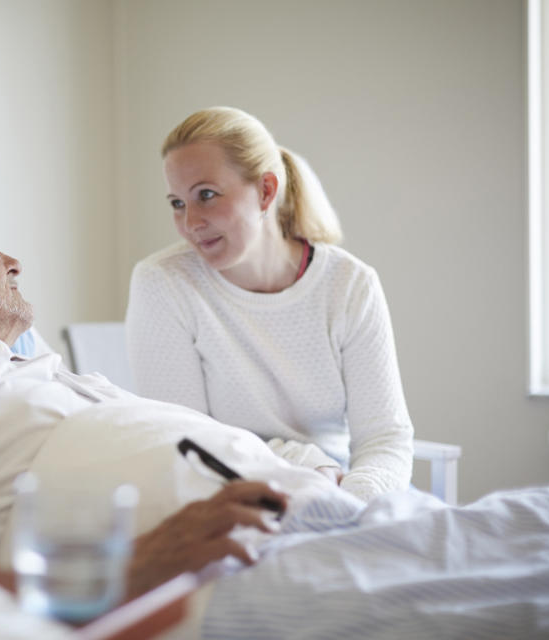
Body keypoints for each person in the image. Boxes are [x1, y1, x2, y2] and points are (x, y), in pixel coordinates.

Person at [0, 181, 350, 599]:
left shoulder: (46, 377)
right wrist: (121, 570)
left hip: (322, 521)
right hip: (234, 579)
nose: (12, 262)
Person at [126, 107, 413, 502]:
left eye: (206, 196)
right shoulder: (163, 282)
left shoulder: (350, 285)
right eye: (177, 203)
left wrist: (355, 504)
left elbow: (385, 436)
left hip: (344, 491)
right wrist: (310, 466)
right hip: (228, 494)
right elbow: (188, 437)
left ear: (265, 190)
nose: (190, 222)